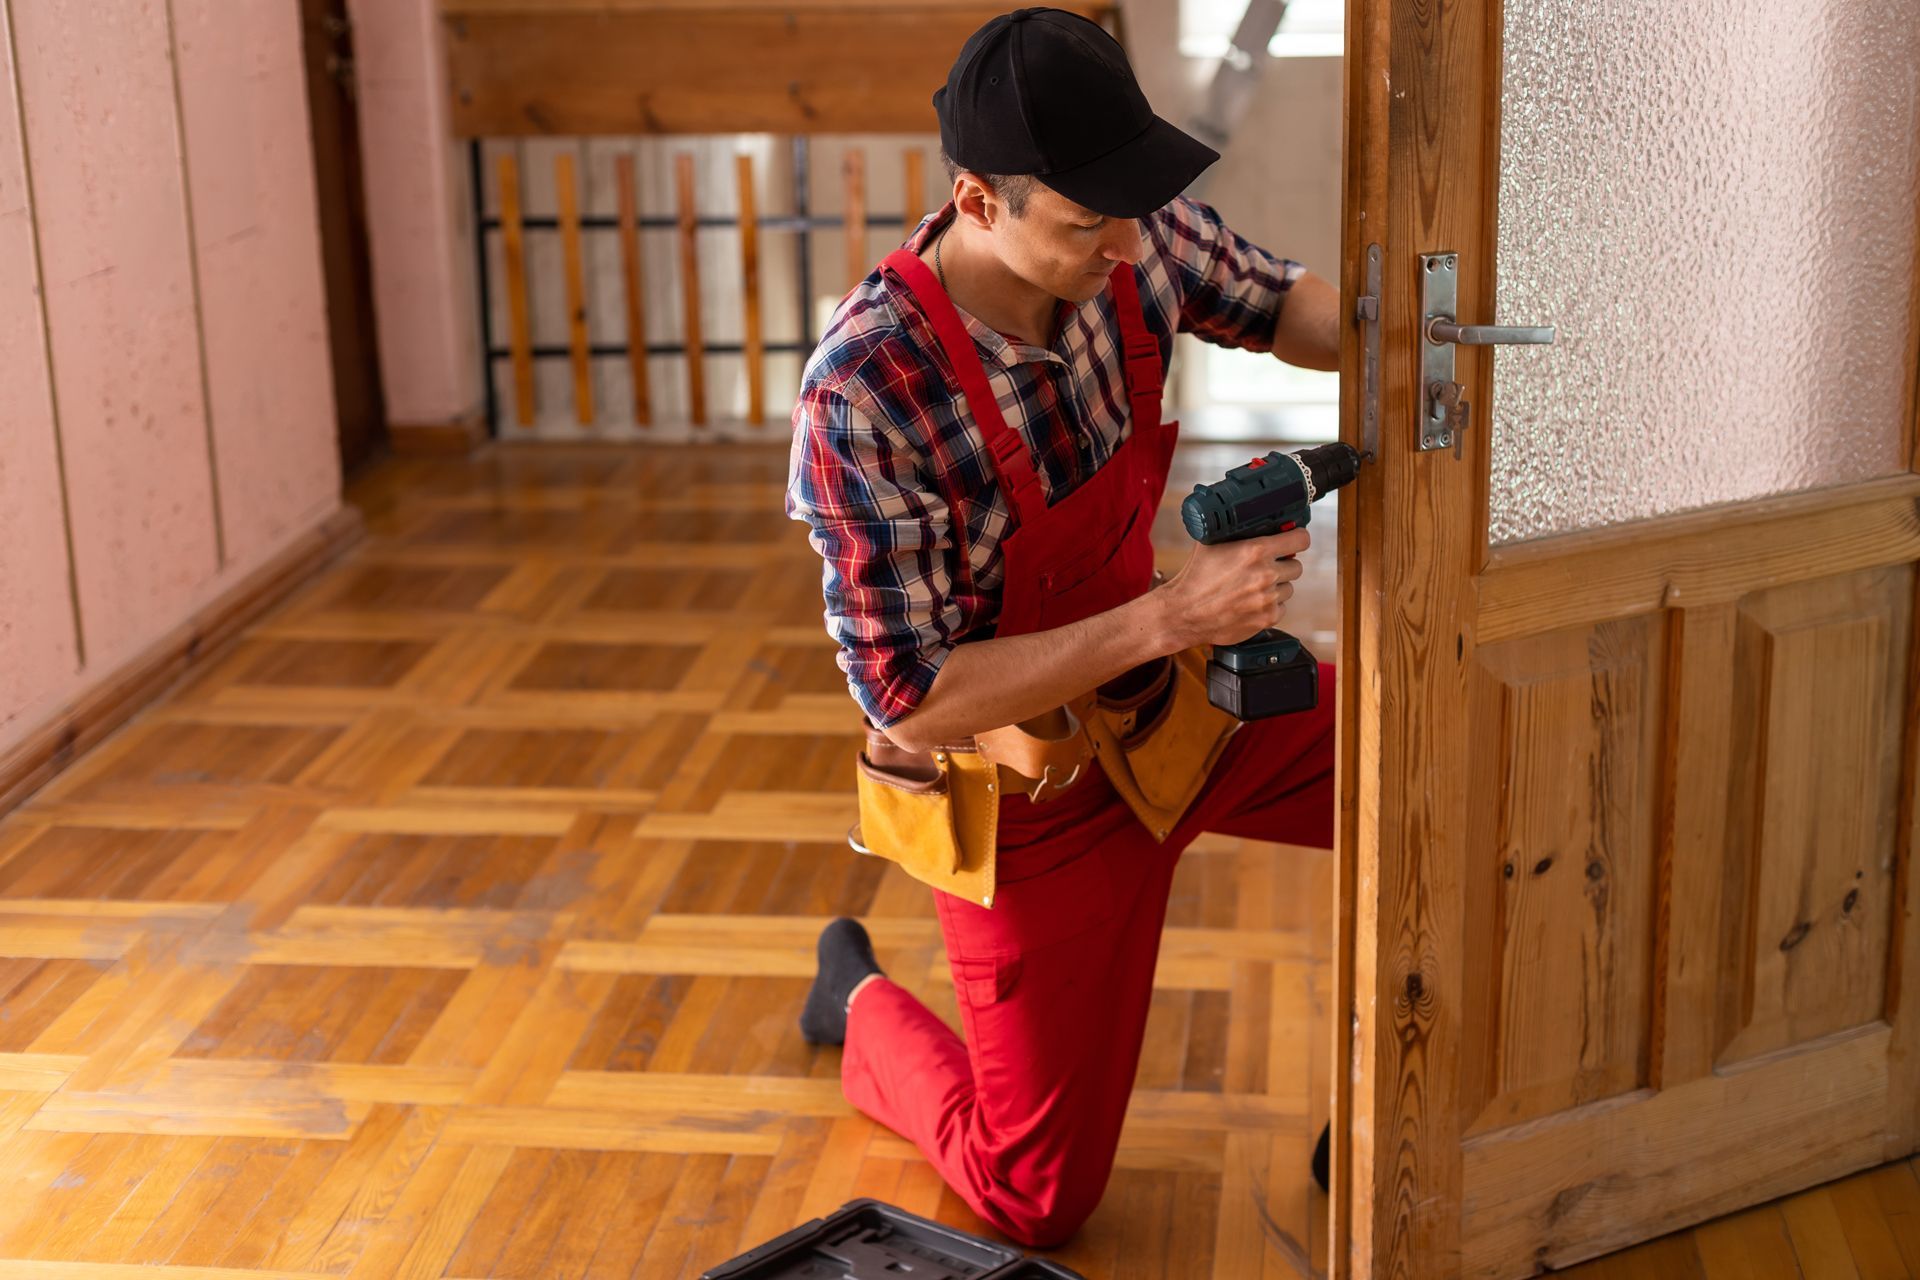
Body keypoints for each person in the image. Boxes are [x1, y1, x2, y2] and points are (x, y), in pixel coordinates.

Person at [783, 6, 1339, 1248]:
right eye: (1088, 223)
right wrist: (1171, 612)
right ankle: (858, 1000)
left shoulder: (1127, 233)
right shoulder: (868, 389)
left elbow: (1277, 298)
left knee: (1434, 765)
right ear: (979, 203)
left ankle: (1403, 1098)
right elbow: (910, 697)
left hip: (1186, 708)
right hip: (1031, 798)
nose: (1129, 245)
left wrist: (1417, 335)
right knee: (1034, 1202)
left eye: (1132, 208)